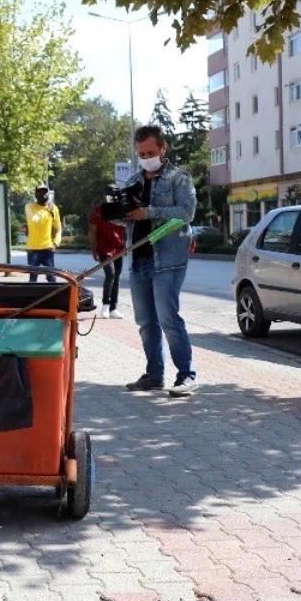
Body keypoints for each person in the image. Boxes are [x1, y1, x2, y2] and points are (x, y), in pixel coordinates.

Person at [121, 125, 198, 397]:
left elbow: (186, 212)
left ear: (163, 148)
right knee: (145, 322)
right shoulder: (133, 180)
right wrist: (117, 211)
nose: (145, 157)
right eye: (141, 153)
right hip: (138, 260)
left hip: (167, 260)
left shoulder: (179, 178)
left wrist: (148, 212)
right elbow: (129, 216)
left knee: (168, 319)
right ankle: (154, 374)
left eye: (150, 152)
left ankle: (186, 375)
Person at [89, 197, 126, 319]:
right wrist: (94, 249)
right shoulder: (97, 212)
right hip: (104, 248)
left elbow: (128, 227)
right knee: (110, 274)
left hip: (119, 247)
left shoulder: (121, 209)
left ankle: (113, 308)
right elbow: (93, 231)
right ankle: (105, 304)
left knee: (117, 277)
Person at [24, 184, 61, 282]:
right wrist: (47, 210)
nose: (42, 194)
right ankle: (34, 297)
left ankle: (54, 297)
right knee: (32, 279)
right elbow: (35, 220)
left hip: (47, 249)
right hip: (33, 249)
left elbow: (58, 228)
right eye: (40, 192)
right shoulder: (29, 207)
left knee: (51, 278)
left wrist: (56, 243)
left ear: (48, 194)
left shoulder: (54, 209)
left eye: (44, 192)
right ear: (35, 194)